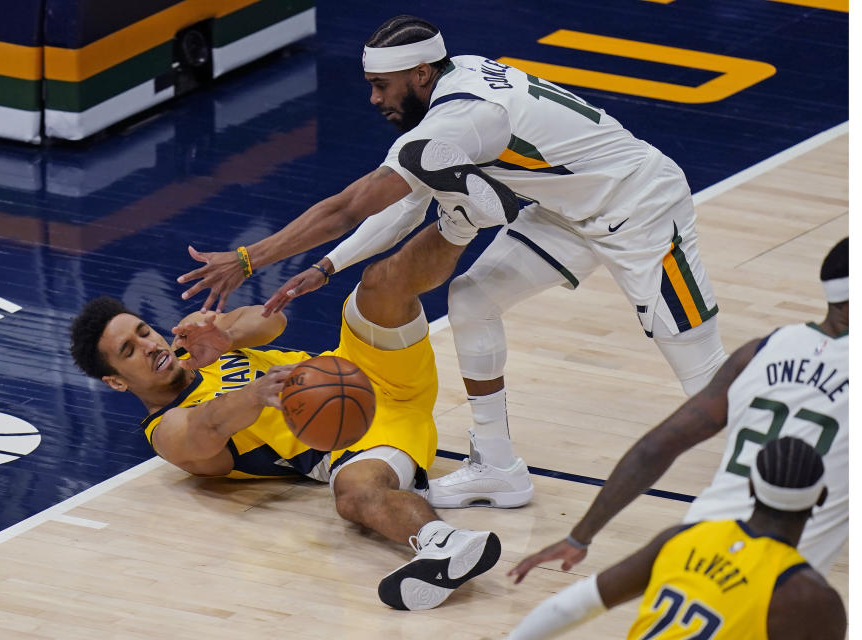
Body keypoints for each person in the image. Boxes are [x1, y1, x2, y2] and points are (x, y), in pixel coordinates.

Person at [176, 15, 727, 510]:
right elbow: (407, 201)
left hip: (640, 206)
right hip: (565, 210)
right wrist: (326, 268)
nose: (373, 100)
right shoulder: (452, 82)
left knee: (697, 363)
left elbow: (350, 206)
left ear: (419, 74)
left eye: (380, 86)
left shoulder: (462, 120)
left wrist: (249, 259)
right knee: (472, 299)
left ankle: (769, 474)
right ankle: (498, 468)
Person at [69, 225, 501, 611]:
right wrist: (255, 394)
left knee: (380, 285)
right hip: (353, 436)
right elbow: (207, 428)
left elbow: (271, 321)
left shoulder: (194, 343)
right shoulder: (164, 430)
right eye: (129, 351)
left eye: (143, 331)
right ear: (116, 382)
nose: (148, 346)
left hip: (355, 368)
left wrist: (227, 335)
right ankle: (445, 543)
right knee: (354, 496)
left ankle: (461, 218)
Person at [508, 237, 848, 579]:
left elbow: (655, 448)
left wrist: (579, 537)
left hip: (692, 557)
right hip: (776, 587)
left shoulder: (759, 351)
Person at [504, 437, 846, 640]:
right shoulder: (810, 598)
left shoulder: (685, 536)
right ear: (821, 497)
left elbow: (570, 604)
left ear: (752, 486)